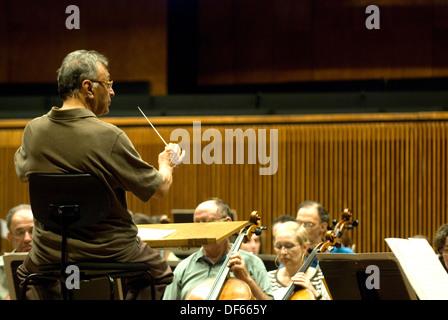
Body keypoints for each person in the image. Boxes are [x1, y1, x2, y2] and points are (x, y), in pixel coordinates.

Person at [14, 49, 185, 300]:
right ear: (88, 87)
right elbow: (159, 189)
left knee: (22, 275)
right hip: (110, 251)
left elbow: (22, 173)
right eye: (108, 84)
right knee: (158, 272)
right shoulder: (109, 137)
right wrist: (166, 165)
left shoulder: (33, 131)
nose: (112, 91)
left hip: (50, 251)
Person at [162, 198, 273, 300]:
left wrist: (247, 279)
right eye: (196, 222)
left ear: (227, 223)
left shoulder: (253, 263)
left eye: (206, 221)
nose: (200, 228)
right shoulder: (183, 268)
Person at [268, 221, 330, 300]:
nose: (283, 252)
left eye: (289, 246)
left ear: (304, 247)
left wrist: (315, 293)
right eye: (279, 246)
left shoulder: (321, 279)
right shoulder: (269, 278)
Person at [0, 204, 34, 300]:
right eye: (20, 232)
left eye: (33, 230)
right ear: (10, 238)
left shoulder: (63, 265)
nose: (27, 239)